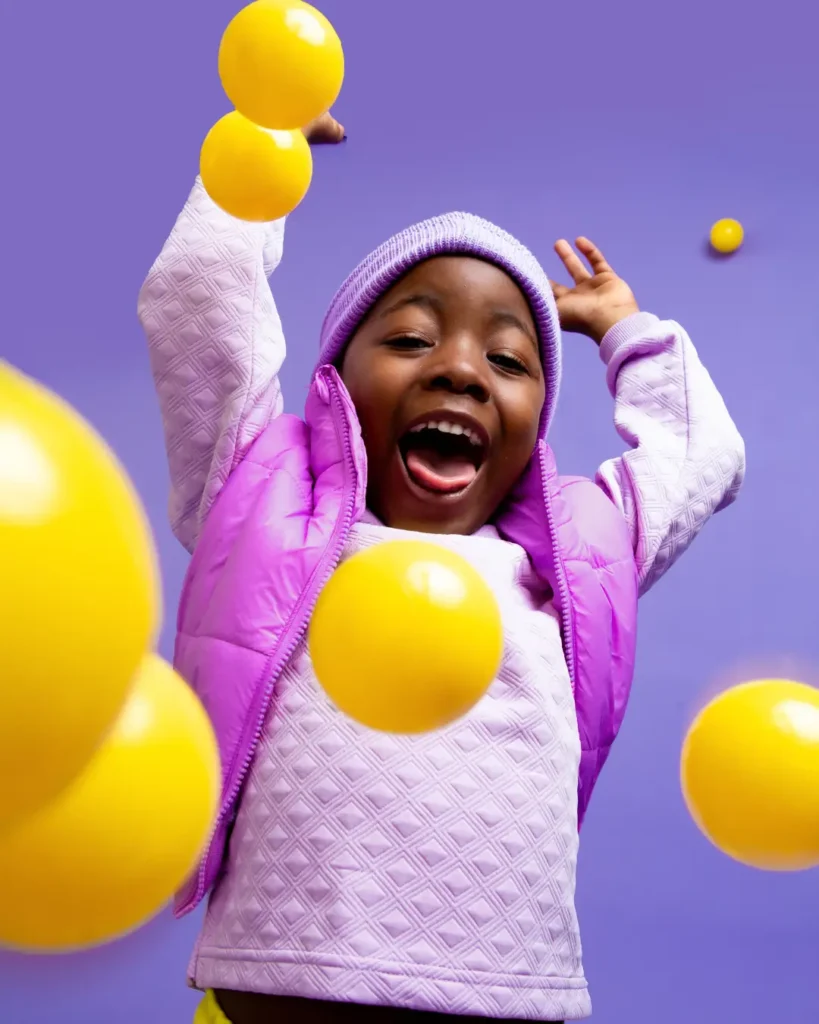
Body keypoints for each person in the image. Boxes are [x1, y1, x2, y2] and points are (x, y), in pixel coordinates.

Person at [138, 111, 745, 1023]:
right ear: (334, 383)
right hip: (284, 978)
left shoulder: (572, 558)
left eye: (507, 358)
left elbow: (704, 456)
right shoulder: (262, 494)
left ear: (536, 421)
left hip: (505, 987)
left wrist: (625, 331)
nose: (461, 370)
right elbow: (199, 300)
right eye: (413, 339)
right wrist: (264, 152)